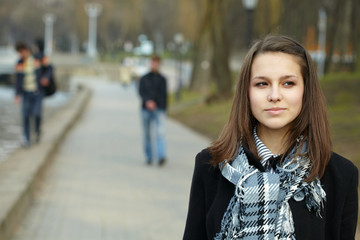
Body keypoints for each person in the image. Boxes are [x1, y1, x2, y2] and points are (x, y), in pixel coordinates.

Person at [183, 35, 358, 239]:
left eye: (288, 83)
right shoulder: (211, 165)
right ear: (246, 91)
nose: (274, 95)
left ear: (306, 90)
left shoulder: (340, 175)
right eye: (262, 84)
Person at [14, 42, 48, 147]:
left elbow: (50, 68)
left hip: (37, 92)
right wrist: (17, 94)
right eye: (19, 53)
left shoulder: (38, 58)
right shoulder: (19, 63)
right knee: (25, 116)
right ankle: (27, 139)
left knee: (37, 113)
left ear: (26, 50)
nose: (21, 55)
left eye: (21, 52)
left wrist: (46, 77)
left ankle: (37, 131)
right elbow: (18, 80)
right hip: (26, 93)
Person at [139, 56, 168, 166]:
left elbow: (163, 95)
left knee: (160, 133)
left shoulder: (162, 79)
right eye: (152, 63)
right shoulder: (144, 78)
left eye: (156, 63)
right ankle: (149, 156)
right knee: (147, 134)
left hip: (159, 109)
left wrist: (159, 105)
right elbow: (141, 92)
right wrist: (148, 101)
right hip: (145, 109)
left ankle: (161, 156)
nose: (154, 65)